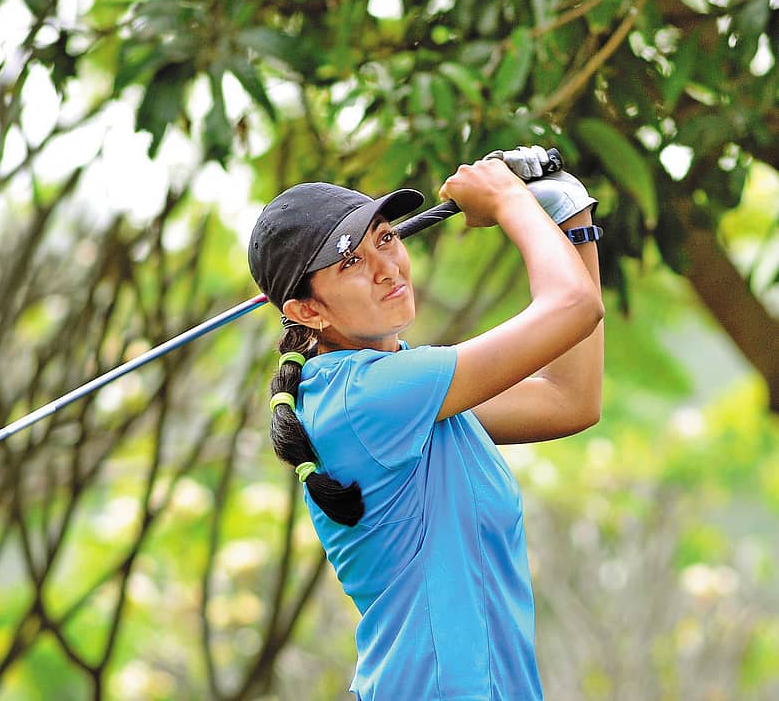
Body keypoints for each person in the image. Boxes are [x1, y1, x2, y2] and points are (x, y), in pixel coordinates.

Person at [247, 146, 604, 701]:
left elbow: (569, 399)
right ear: (307, 311)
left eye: (386, 238)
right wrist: (508, 199)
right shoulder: (366, 399)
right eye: (351, 263)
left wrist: (570, 215)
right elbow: (573, 306)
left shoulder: (404, 390)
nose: (386, 268)